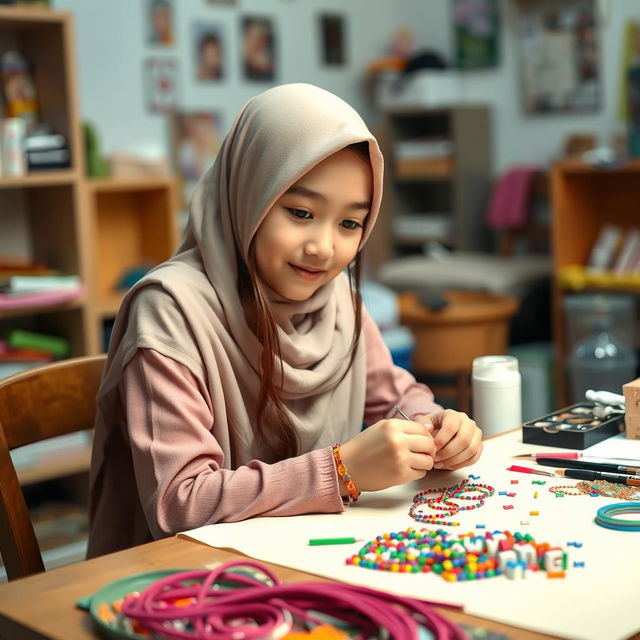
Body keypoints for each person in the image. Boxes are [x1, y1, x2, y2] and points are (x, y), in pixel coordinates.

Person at [87, 83, 482, 558]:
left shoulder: (335, 296)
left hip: (308, 559)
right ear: (248, 193)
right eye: (300, 212)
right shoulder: (169, 310)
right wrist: (340, 471)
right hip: (183, 582)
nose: (323, 247)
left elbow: (394, 396)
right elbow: (179, 502)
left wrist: (435, 425)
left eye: (349, 223)